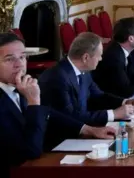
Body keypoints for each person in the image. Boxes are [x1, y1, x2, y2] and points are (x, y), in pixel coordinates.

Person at [0, 33, 115, 176]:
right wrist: (34, 102)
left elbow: (48, 113)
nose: (19, 64)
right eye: (9, 59)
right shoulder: (27, 89)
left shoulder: (20, 86)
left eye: (22, 57)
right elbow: (30, 151)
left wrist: (89, 130)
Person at [38, 32, 134, 126]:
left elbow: (98, 96)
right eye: (99, 55)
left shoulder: (84, 72)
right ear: (86, 58)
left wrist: (124, 102)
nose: (101, 59)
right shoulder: (57, 78)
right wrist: (113, 114)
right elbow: (70, 117)